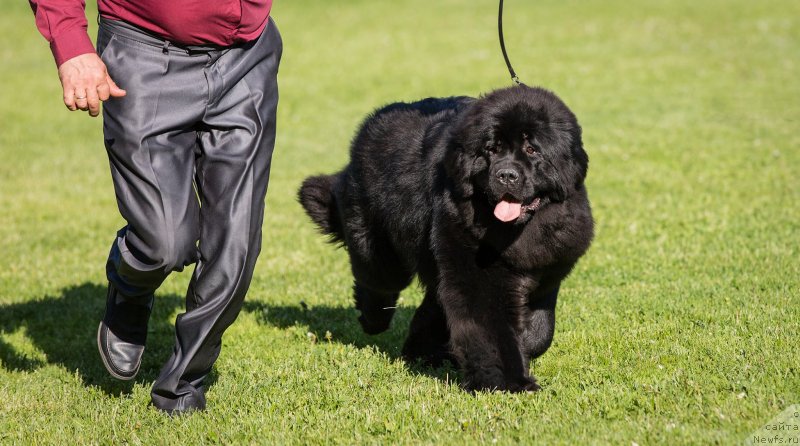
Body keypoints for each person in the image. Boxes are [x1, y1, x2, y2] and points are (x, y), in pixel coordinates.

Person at [29, 0, 281, 414]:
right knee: (164, 242)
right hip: (144, 54)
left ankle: (182, 389)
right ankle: (131, 288)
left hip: (246, 57)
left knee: (235, 251)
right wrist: (70, 41)